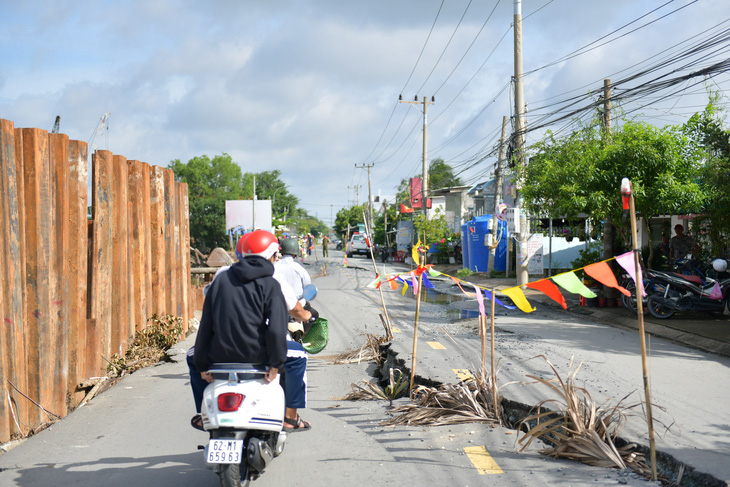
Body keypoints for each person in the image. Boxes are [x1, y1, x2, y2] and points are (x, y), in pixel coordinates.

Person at [189, 230, 287, 430]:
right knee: (296, 360)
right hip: (257, 358)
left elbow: (205, 325)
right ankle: (289, 418)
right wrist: (276, 364)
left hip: (218, 358)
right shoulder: (270, 284)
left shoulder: (221, 281)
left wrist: (202, 366)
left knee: (191, 357)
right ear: (271, 256)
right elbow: (277, 330)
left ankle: (202, 413)